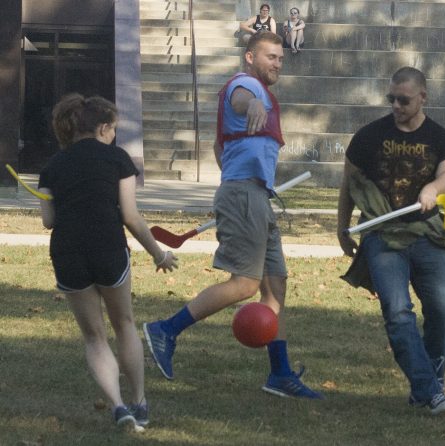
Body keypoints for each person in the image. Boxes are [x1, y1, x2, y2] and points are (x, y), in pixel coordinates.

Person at [143, 32, 324, 400]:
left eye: (280, 59)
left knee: (275, 287)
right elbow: (243, 99)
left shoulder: (259, 93)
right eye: (270, 56)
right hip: (245, 196)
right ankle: (165, 329)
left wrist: (235, 172)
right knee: (245, 284)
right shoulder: (244, 86)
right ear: (249, 57)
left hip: (255, 195)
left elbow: (217, 144)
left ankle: (280, 374)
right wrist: (253, 105)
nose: (276, 63)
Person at [38, 94, 178, 430]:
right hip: (108, 247)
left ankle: (118, 406)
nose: (114, 135)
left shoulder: (52, 166)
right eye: (113, 128)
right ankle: (140, 402)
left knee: (94, 336)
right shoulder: (118, 159)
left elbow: (48, 220)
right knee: (124, 324)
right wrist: (159, 254)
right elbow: (130, 216)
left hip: (68, 250)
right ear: (103, 127)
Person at [337, 67, 445, 415]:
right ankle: (428, 389)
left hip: (426, 235)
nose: (396, 105)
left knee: (442, 310)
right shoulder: (368, 137)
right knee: (397, 312)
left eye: (404, 100)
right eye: (391, 98)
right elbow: (349, 184)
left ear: (423, 97)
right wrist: (342, 228)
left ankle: (431, 379)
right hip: (382, 237)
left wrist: (432, 188)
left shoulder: (441, 138)